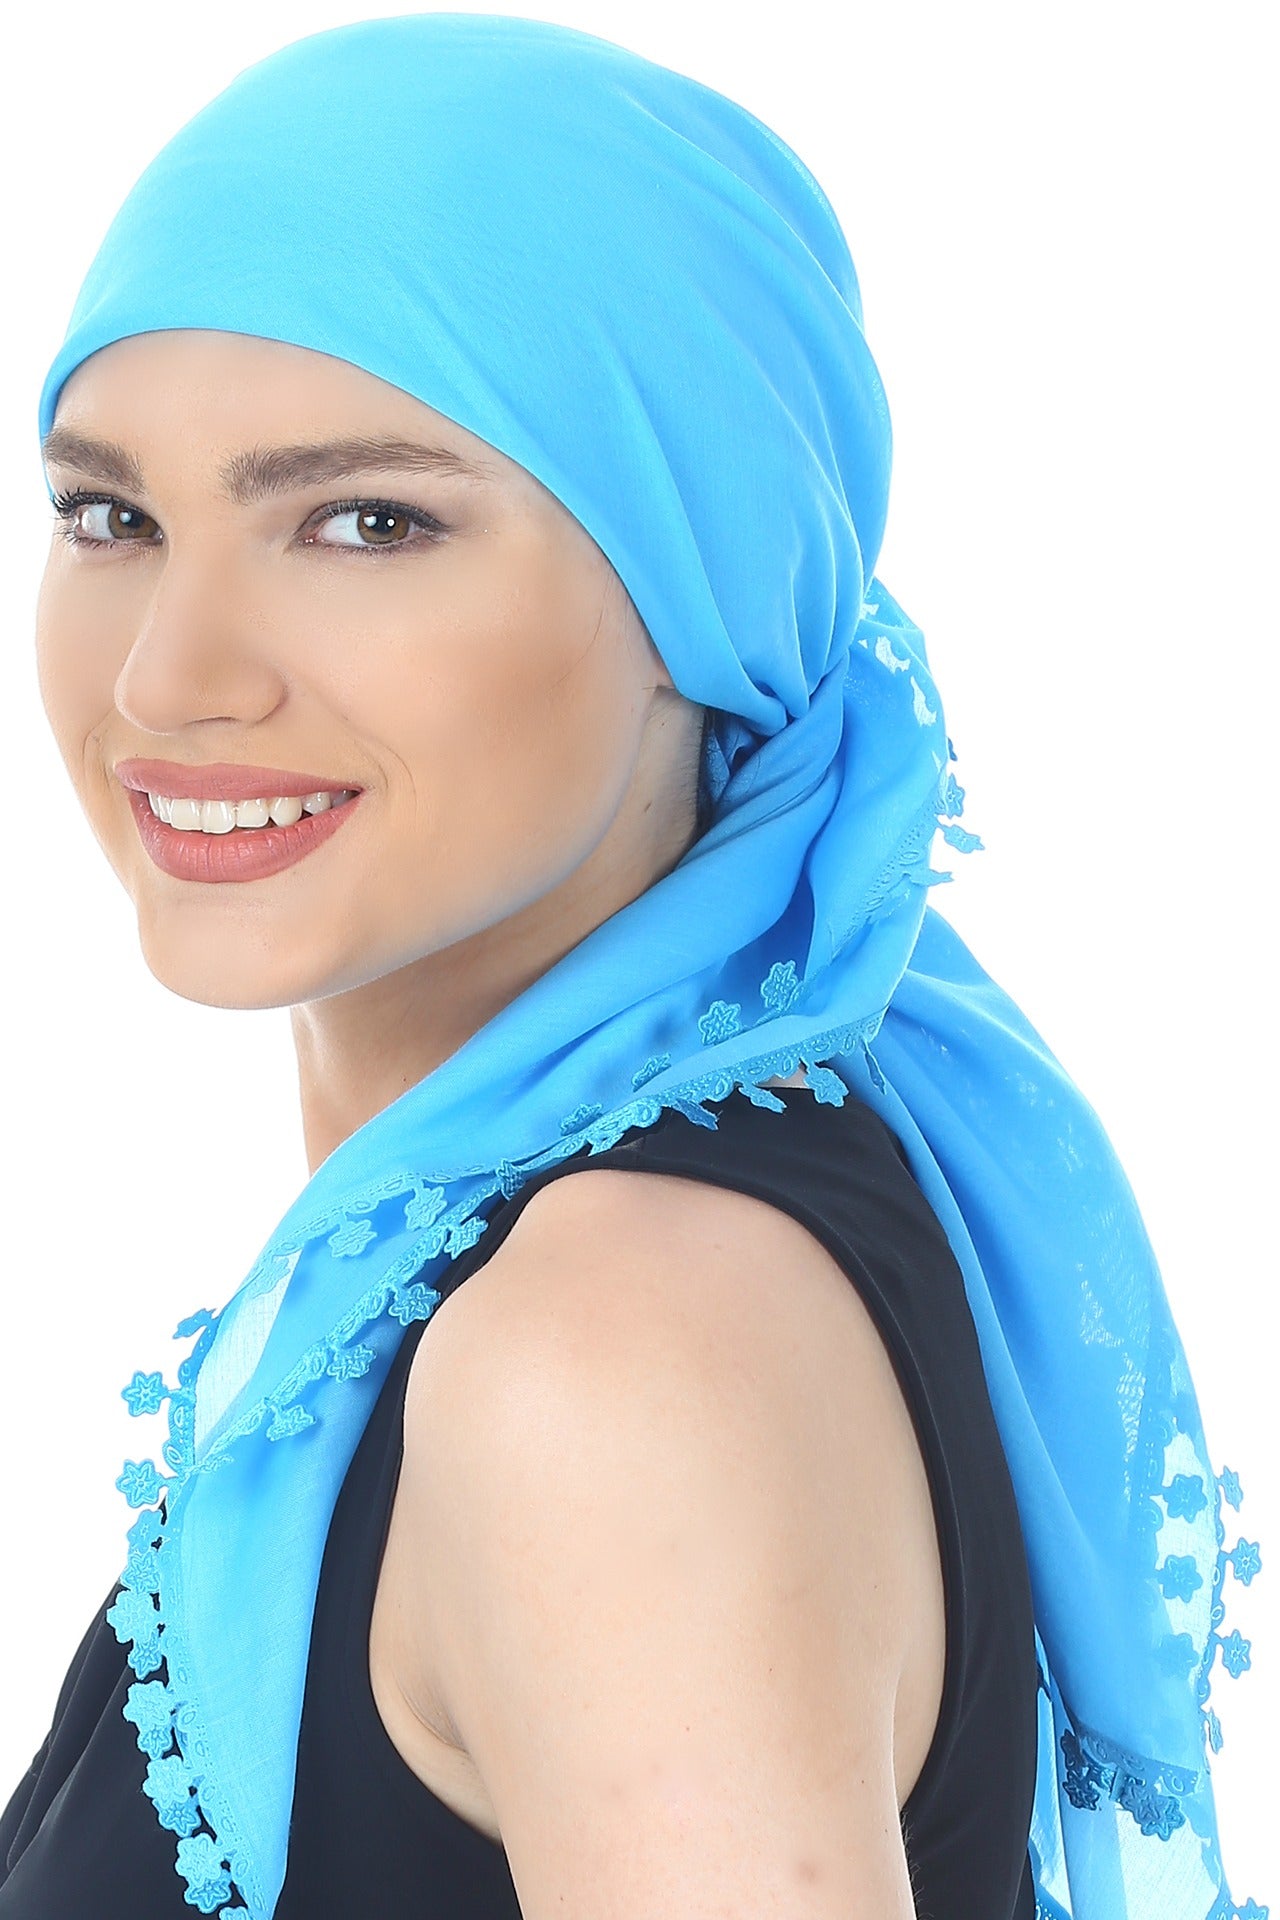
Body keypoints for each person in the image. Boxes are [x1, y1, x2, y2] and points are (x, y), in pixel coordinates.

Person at [0, 15, 1265, 1920]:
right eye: (111, 515)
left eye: (366, 522)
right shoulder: (585, 1249)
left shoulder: (612, 1354)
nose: (166, 676)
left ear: (704, 586)